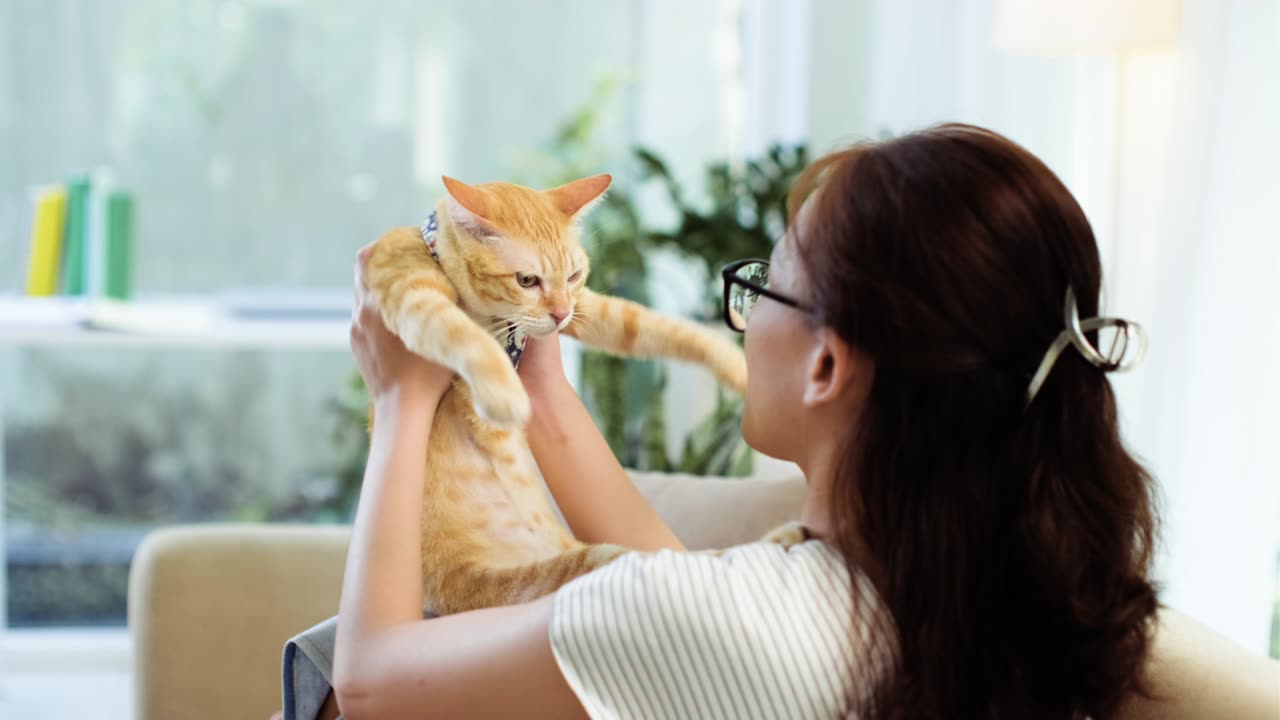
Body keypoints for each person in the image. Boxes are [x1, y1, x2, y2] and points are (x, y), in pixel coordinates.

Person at [278, 123, 1273, 720]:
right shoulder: (1005, 592)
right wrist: (544, 394)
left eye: (764, 293)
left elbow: (375, 686)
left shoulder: (750, 624)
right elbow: (680, 605)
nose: (746, 322)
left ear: (829, 364)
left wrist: (403, 400)